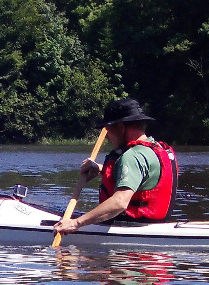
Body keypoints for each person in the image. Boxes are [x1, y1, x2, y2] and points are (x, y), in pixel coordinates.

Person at [53, 98, 177, 235]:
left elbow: (119, 203)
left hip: (133, 230)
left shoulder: (132, 156)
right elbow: (142, 176)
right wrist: (101, 169)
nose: (106, 137)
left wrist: (75, 223)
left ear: (121, 127)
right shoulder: (156, 149)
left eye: (108, 130)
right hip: (155, 225)